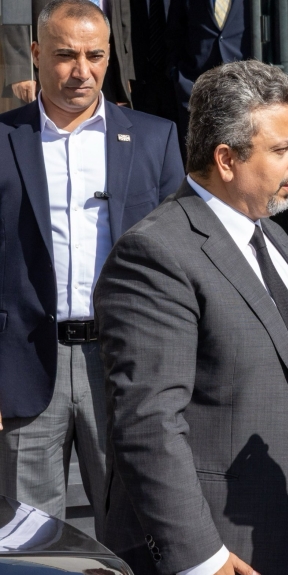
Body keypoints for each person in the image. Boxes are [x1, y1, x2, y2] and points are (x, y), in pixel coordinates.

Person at [94, 59, 288, 575]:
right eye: (283, 149)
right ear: (226, 159)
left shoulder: (272, 235)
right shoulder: (156, 252)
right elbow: (147, 422)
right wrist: (197, 559)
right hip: (224, 555)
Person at [0, 0, 183, 540]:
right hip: (24, 369)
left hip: (126, 364)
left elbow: (180, 261)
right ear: (36, 54)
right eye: (65, 55)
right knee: (29, 543)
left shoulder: (154, 138)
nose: (81, 71)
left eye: (94, 56)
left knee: (137, 533)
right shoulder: (4, 139)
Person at [164, 0, 257, 157]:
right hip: (195, 86)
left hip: (245, 85)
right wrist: (177, 74)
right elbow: (174, 31)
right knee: (200, 156)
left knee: (241, 154)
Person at [1, 0, 135, 106]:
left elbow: (123, 11)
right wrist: (21, 69)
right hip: (50, 60)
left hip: (103, 58)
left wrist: (125, 70)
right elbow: (14, 6)